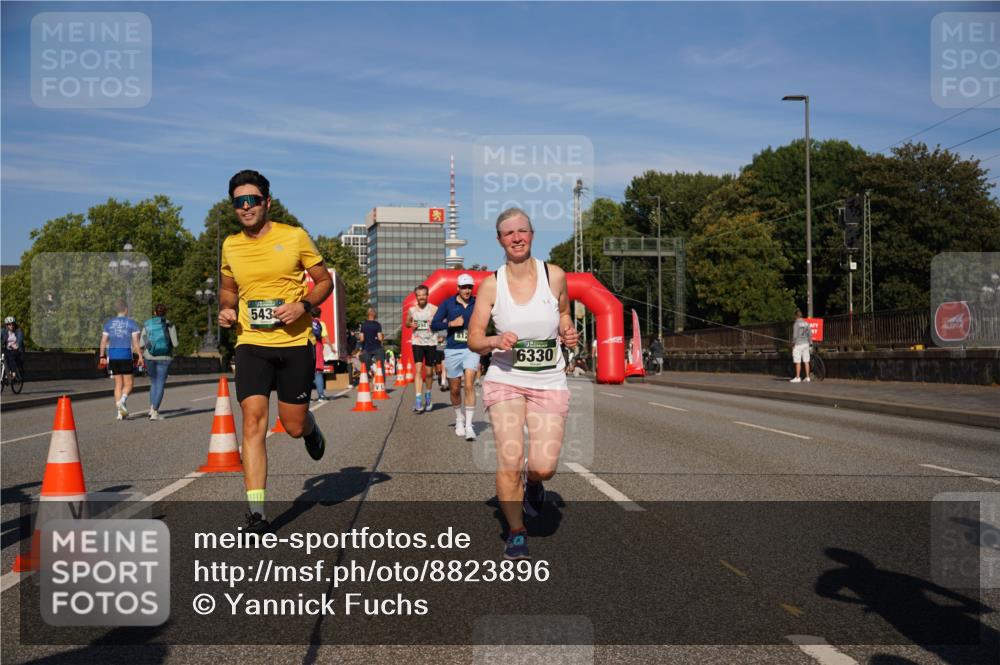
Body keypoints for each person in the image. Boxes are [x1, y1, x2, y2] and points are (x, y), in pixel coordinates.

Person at [218, 169, 332, 534]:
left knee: (293, 426)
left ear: (267, 202)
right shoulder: (231, 245)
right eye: (239, 202)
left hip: (295, 343)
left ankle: (311, 427)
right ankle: (256, 515)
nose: (246, 207)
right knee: (252, 422)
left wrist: (304, 307)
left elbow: (324, 281)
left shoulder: (294, 237)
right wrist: (226, 308)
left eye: (253, 200)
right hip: (251, 342)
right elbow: (228, 290)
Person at [469, 208, 578, 560]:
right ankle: (516, 531)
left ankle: (534, 485)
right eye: (508, 233)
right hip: (506, 379)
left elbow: (563, 312)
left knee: (544, 465)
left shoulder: (555, 275)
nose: (516, 238)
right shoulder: (491, 284)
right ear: (499, 240)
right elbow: (473, 338)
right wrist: (493, 342)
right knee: (510, 458)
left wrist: (566, 329)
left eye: (522, 231)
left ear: (532, 234)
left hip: (549, 379)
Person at [432, 273, 480, 441]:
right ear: (458, 288)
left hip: (471, 349)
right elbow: (434, 324)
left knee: (468, 384)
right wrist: (451, 324)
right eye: (464, 287)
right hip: (453, 350)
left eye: (470, 287)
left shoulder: (477, 303)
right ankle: (459, 418)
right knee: (454, 389)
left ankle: (469, 425)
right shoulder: (448, 304)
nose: (467, 290)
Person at [100, 300, 143, 420]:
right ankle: (122, 402)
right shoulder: (131, 323)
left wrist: (102, 356)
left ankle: (120, 413)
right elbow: (135, 343)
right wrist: (140, 356)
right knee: (129, 384)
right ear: (125, 309)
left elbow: (103, 341)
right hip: (125, 355)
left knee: (118, 384)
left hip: (113, 356)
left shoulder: (109, 324)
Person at [141, 304, 179, 420]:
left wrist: (151, 347)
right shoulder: (169, 324)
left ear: (154, 312)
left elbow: (142, 343)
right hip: (165, 357)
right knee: (160, 383)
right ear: (165, 312)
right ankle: (155, 411)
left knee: (153, 383)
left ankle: (151, 409)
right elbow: (175, 343)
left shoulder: (147, 324)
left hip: (150, 357)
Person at [406, 284, 438, 413]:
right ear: (416, 297)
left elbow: (441, 322)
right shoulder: (412, 310)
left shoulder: (434, 309)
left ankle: (428, 396)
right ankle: (418, 399)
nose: (421, 297)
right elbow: (407, 323)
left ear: (427, 295)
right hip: (417, 342)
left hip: (431, 342)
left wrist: (435, 325)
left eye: (423, 295)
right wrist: (410, 324)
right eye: (419, 296)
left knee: (429, 372)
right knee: (418, 369)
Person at [311, 307, 330, 401]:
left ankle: (306, 397)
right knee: (318, 373)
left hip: (307, 348)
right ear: (320, 314)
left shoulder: (306, 323)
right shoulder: (321, 323)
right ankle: (321, 395)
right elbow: (325, 336)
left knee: (307, 373)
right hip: (317, 347)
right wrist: (332, 347)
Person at [359, 308, 385, 373]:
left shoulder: (363, 325)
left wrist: (361, 348)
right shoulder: (377, 325)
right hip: (377, 347)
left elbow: (362, 339)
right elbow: (379, 338)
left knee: (366, 367)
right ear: (375, 315)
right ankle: (381, 381)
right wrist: (382, 338)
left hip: (367, 348)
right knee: (380, 366)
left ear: (368, 315)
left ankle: (366, 380)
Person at [790, 309, 812, 383]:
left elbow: (795, 336)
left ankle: (798, 377)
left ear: (796, 316)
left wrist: (792, 344)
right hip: (806, 343)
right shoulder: (806, 323)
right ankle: (808, 377)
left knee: (798, 361)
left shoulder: (796, 324)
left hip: (798, 344)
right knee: (806, 361)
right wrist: (810, 343)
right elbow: (810, 334)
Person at [3, 316, 25, 381]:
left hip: (17, 349)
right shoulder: (4, 331)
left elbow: (19, 340)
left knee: (11, 356)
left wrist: (16, 346)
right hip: (8, 349)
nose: (11, 326)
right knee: (5, 357)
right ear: (6, 325)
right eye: (9, 324)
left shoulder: (18, 331)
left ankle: (13, 373)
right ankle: (7, 373)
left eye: (12, 324)